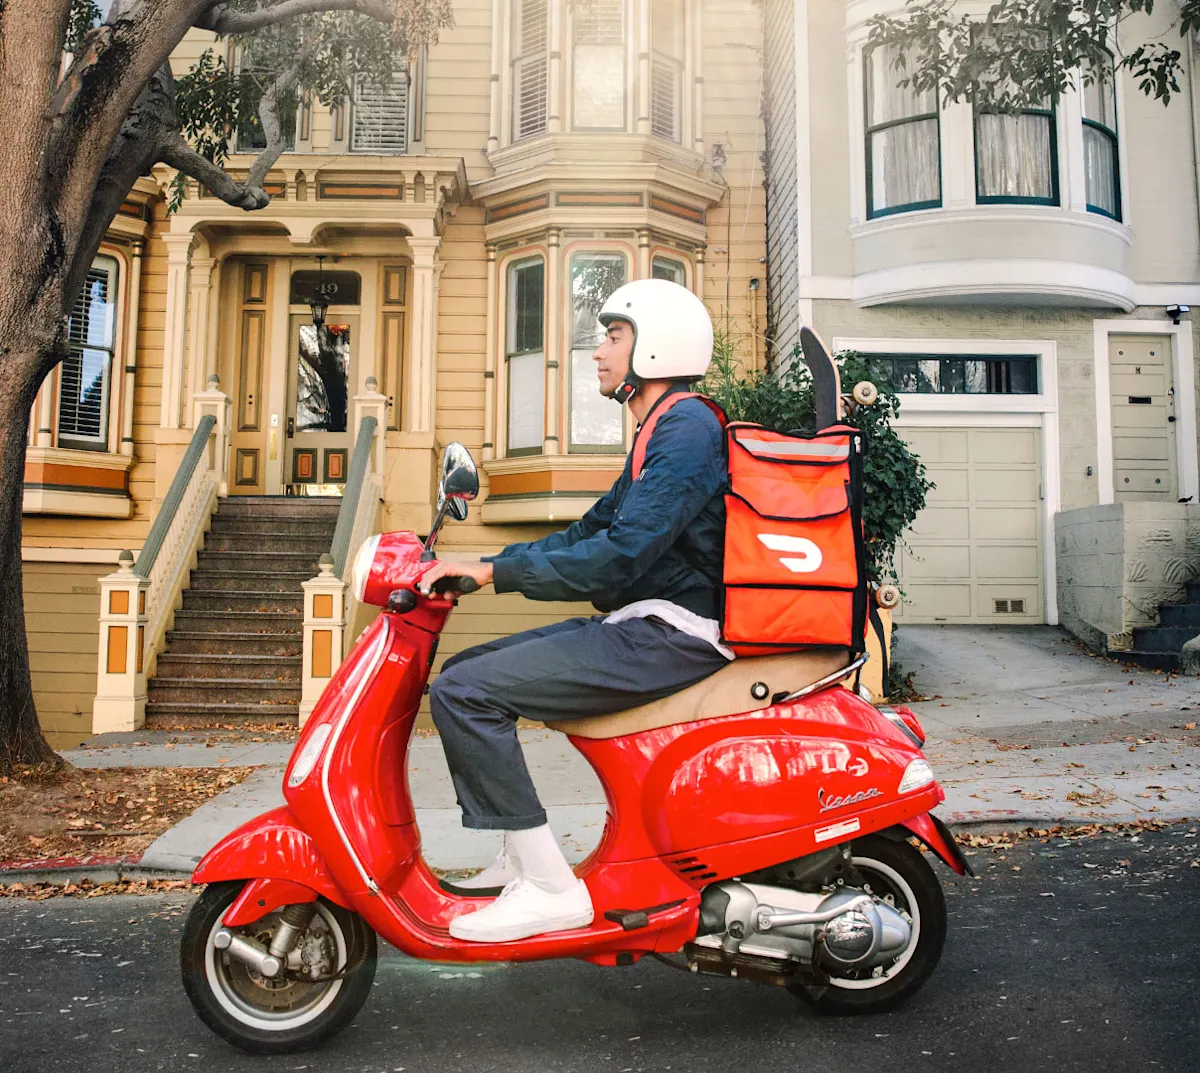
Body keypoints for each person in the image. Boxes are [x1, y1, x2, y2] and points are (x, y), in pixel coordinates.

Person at [419, 278, 730, 943]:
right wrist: (485, 569)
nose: (598, 351)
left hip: (676, 631)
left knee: (466, 691)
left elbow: (619, 555)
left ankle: (551, 889)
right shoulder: (660, 428)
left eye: (614, 336)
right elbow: (589, 532)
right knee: (468, 669)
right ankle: (520, 858)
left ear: (657, 348)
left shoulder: (688, 426)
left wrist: (497, 571)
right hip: (646, 622)